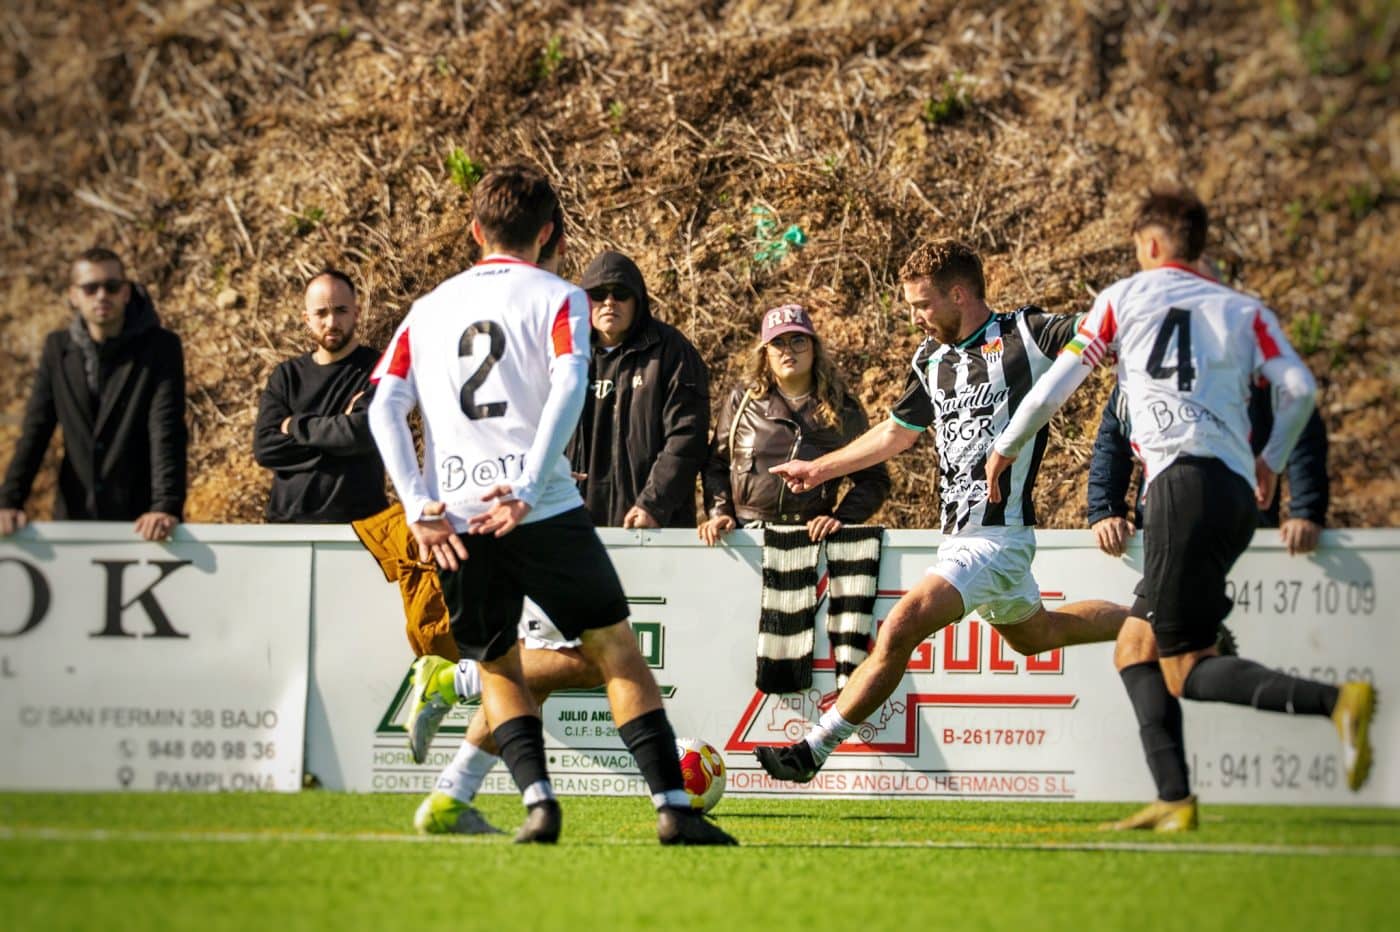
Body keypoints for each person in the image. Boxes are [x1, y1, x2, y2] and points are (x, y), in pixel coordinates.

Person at [367, 163, 735, 845]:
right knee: (617, 653)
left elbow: (384, 406)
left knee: (500, 664)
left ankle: (540, 804)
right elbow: (570, 382)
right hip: (538, 507)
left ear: (475, 231)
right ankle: (673, 811)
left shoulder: (428, 310)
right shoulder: (560, 298)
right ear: (550, 235)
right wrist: (533, 483)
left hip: (456, 514)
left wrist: (419, 504)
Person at [986, 187, 1374, 831]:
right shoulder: (1245, 310)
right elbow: (1299, 389)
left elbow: (1059, 381)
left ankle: (1336, 701)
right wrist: (1272, 459)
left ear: (1154, 244)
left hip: (1177, 488)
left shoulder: (1123, 298)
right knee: (1134, 648)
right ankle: (1175, 799)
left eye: (1139, 246)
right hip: (1230, 496)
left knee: (1185, 666)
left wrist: (1006, 444)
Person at [754, 239, 1127, 783]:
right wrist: (821, 469)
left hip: (998, 537)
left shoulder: (1026, 334)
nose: (914, 317)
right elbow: (894, 434)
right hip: (958, 539)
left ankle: (812, 747)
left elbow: (1101, 330)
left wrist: (1132, 330)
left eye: (922, 304)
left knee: (901, 624)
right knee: (1037, 634)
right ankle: (1159, 625)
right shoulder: (930, 359)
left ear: (959, 294)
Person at [0, 247, 186, 541]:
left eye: (111, 286)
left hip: (143, 523)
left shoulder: (160, 348)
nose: (102, 295)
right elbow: (36, 429)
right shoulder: (56, 349)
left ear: (126, 292)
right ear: (73, 295)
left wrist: (165, 505)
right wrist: (9, 501)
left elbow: (166, 429)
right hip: (74, 518)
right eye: (90, 288)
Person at [699, 303, 889, 545]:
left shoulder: (843, 408)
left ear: (813, 348)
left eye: (798, 340)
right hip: (744, 538)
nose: (788, 351)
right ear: (765, 352)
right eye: (778, 343)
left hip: (812, 539)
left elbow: (874, 479)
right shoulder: (743, 400)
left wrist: (842, 519)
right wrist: (720, 514)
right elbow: (716, 463)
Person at [1087, 381, 1329, 557]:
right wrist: (1105, 511)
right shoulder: (1141, 363)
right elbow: (1112, 439)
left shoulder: (1252, 356)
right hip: (1161, 536)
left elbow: (1301, 424)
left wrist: (1305, 511)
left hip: (1245, 536)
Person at [567, 251, 709, 529]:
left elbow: (687, 435)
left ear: (638, 300)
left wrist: (654, 505)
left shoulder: (671, 351)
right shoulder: (567, 353)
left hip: (652, 525)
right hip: (576, 524)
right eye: (598, 294)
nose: (609, 302)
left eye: (620, 293)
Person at [253, 269, 386, 523]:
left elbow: (360, 433)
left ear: (357, 313)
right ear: (306, 318)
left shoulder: (377, 369)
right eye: (321, 313)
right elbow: (265, 448)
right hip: (286, 525)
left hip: (358, 527)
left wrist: (293, 425)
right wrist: (337, 436)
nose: (332, 322)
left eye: (341, 311)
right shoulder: (286, 376)